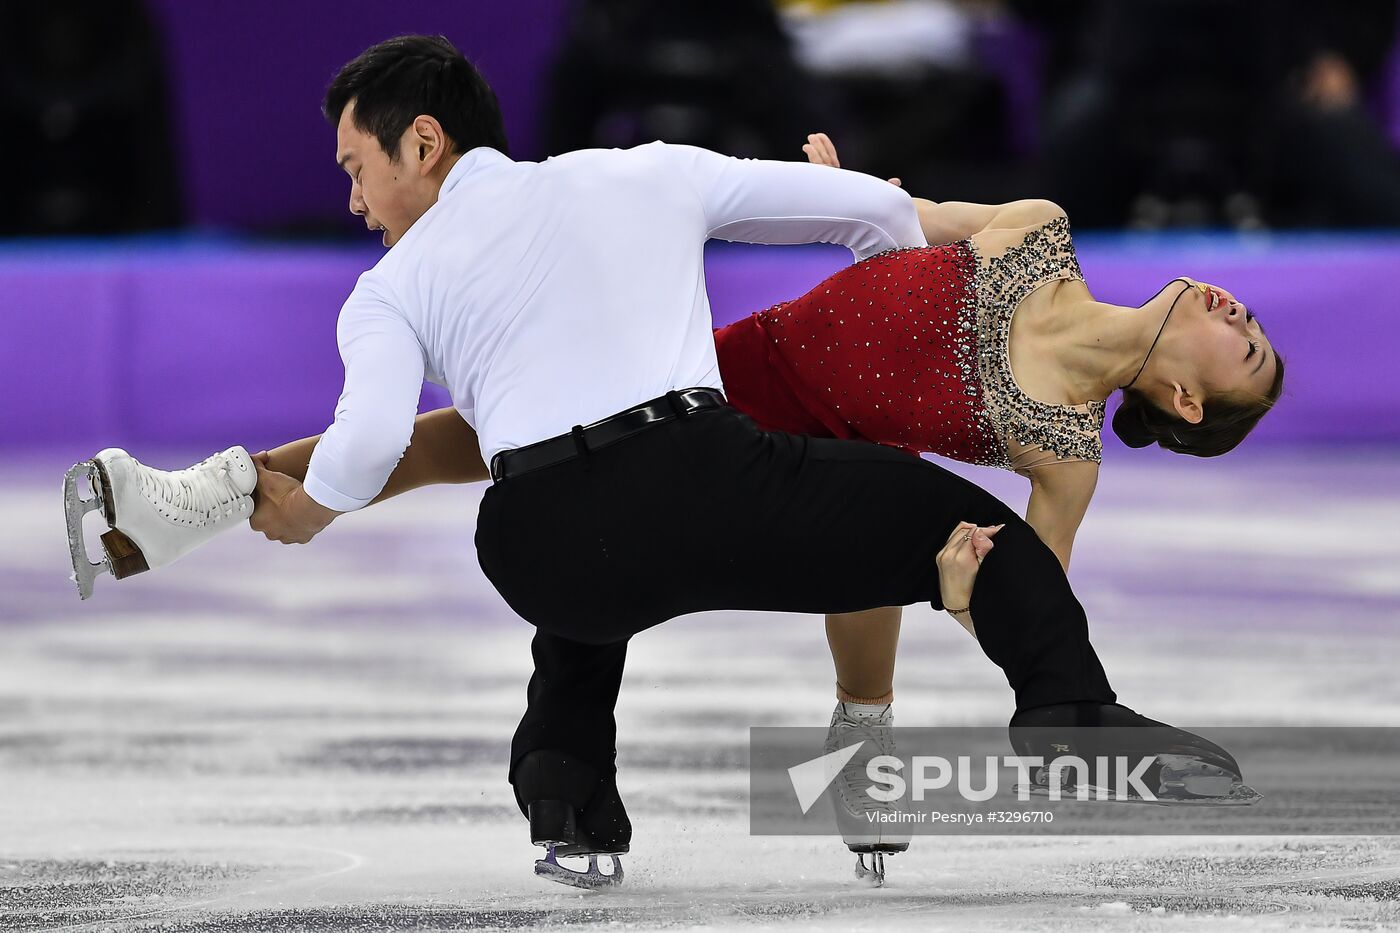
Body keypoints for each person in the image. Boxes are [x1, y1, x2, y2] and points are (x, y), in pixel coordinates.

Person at [64, 35, 1259, 889]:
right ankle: (1063, 707)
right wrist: (857, 196)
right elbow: (885, 215)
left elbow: (377, 440)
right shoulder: (645, 171)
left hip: (550, 538)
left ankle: (567, 787)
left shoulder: (392, 289)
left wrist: (318, 506)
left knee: (512, 471)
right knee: (910, 521)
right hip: (716, 433)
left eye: (355, 169)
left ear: (420, 143)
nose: (353, 200)